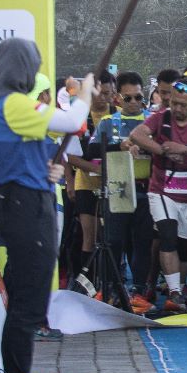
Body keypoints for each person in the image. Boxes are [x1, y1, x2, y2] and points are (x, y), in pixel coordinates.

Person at [0, 39, 93, 373]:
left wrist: (48, 169)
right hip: (25, 208)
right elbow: (73, 121)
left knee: (22, 298)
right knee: (28, 303)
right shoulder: (11, 103)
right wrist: (85, 92)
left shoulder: (3, 105)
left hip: (23, 201)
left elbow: (22, 154)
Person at [129, 80, 187, 312]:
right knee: (167, 235)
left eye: (183, 105)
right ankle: (175, 293)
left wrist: (185, 150)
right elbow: (137, 134)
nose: (177, 109)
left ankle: (178, 288)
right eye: (174, 103)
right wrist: (162, 150)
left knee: (185, 246)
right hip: (161, 190)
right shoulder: (160, 118)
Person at [94, 71, 156, 313]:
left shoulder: (154, 120)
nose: (133, 103)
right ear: (118, 99)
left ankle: (139, 291)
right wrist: (118, 146)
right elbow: (91, 152)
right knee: (114, 240)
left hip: (146, 188)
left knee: (143, 243)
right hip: (117, 188)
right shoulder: (108, 122)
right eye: (127, 98)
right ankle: (109, 289)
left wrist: (147, 148)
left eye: (138, 98)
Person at [65, 70, 116, 288]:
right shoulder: (80, 117)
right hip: (85, 182)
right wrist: (70, 181)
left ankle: (110, 283)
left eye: (110, 93)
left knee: (110, 236)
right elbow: (69, 156)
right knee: (89, 235)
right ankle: (85, 284)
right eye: (102, 93)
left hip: (114, 184)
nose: (106, 97)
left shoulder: (118, 114)